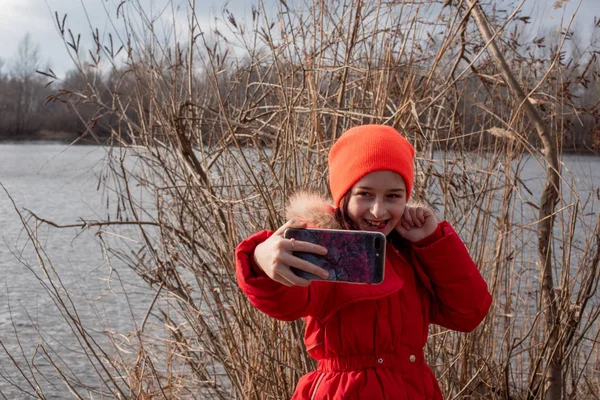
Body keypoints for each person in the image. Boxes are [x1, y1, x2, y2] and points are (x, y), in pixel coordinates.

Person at [235, 124, 492, 399]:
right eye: (365, 194)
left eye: (393, 196)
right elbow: (285, 303)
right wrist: (260, 261)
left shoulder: (410, 252)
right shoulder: (324, 247)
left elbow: (468, 313)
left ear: (407, 198)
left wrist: (432, 242)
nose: (378, 210)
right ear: (344, 195)